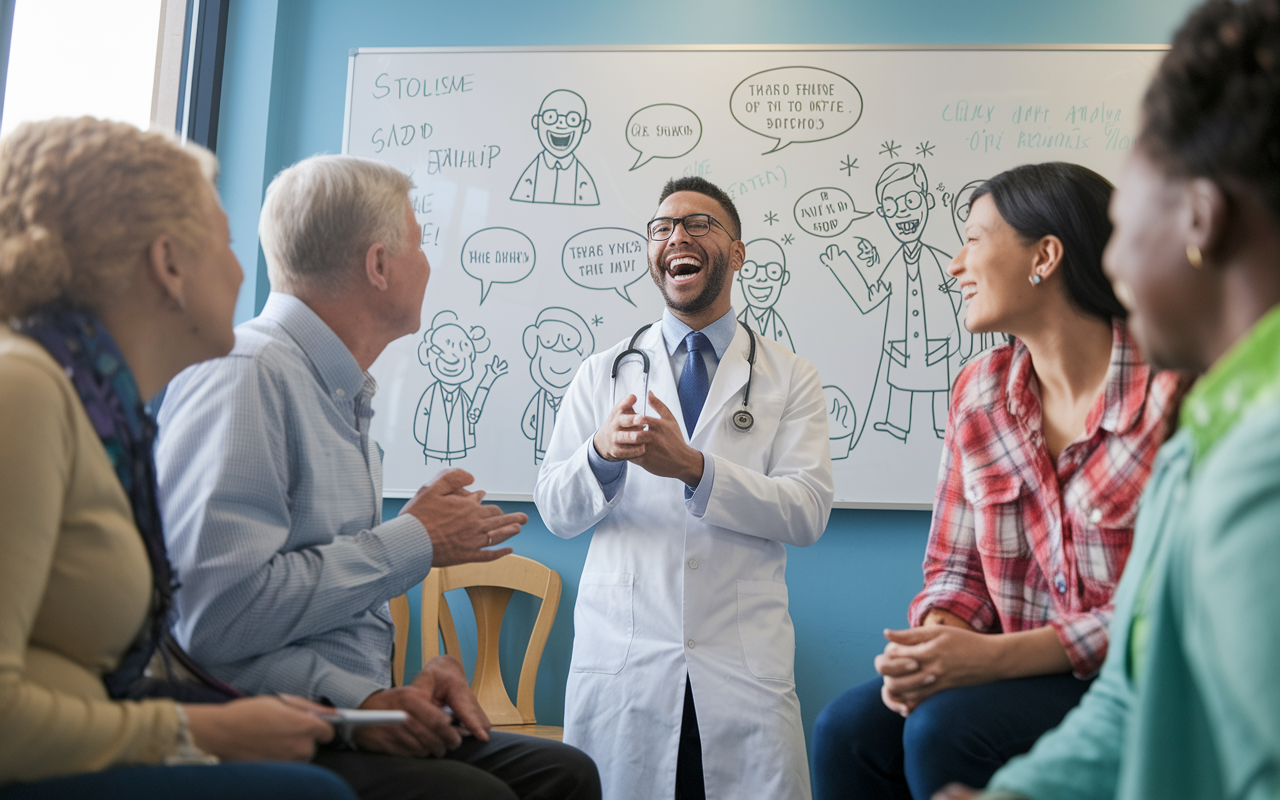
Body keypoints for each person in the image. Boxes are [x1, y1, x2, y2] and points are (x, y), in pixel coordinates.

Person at [154, 154, 601, 800]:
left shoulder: (340, 396)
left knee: (565, 773)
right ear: (379, 265)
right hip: (251, 725)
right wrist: (413, 541)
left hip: (338, 710)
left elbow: (303, 603)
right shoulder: (246, 376)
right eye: (420, 245)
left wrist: (389, 693)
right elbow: (214, 618)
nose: (428, 265)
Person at [942, 1, 1280, 797]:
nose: (1115, 265)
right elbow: (1134, 695)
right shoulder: (1210, 431)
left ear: (1202, 219)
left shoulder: (1254, 457)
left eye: (1124, 226)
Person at [0, 118, 354, 799]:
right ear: (167, 264)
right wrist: (206, 734)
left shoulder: (98, 409)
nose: (242, 268)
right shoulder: (27, 388)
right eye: (224, 241)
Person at [812, 162, 1179, 800]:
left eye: (974, 239)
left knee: (942, 732)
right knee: (845, 729)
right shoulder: (979, 392)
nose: (955, 265)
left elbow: (1169, 611)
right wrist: (938, 645)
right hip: (1016, 670)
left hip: (1142, 680)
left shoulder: (1170, 393)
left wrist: (991, 660)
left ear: (1046, 256)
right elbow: (955, 570)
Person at [535, 176, 835, 800]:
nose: (677, 236)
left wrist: (694, 468)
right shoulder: (603, 372)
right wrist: (599, 456)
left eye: (699, 224)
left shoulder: (790, 377)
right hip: (628, 656)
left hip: (740, 664)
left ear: (737, 251)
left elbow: (806, 512)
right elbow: (557, 511)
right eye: (662, 227)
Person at [521, 307, 595, 464]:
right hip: (541, 449)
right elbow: (528, 423)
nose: (559, 355)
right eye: (549, 342)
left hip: (572, 455)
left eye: (568, 342)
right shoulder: (541, 398)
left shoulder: (578, 394)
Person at [510, 89, 599, 205]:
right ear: (536, 121)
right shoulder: (532, 173)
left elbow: (591, 208)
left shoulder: (583, 179)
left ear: (585, 126)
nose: (561, 124)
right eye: (551, 117)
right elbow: (518, 204)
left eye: (572, 119)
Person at [737, 238, 795, 351]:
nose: (761, 278)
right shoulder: (736, 325)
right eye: (749, 270)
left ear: (784, 277)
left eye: (773, 271)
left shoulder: (780, 327)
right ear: (740, 276)